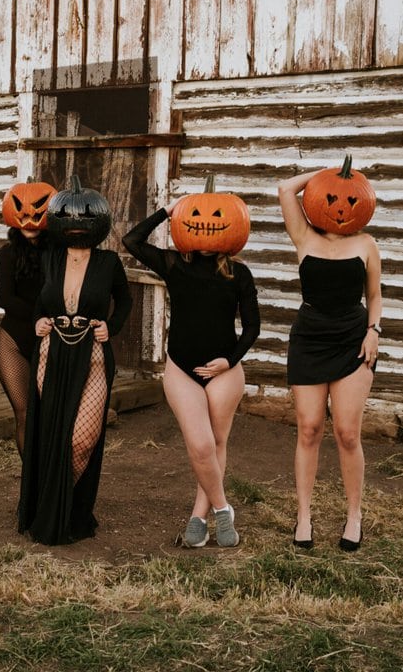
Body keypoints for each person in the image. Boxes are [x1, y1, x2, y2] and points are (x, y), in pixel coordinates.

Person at [122, 202, 260, 548]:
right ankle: (223, 507)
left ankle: (199, 517)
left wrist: (228, 362)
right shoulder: (174, 265)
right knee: (200, 445)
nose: (204, 225)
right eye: (195, 219)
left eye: (214, 217)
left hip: (224, 369)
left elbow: (252, 328)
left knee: (215, 443)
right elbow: (131, 241)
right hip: (182, 368)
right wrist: (167, 212)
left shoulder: (238, 274)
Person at [18, 176, 132, 545]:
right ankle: (53, 511)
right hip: (51, 353)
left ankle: (61, 506)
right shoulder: (49, 257)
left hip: (93, 355)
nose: (77, 220)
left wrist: (110, 327)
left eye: (84, 214)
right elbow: (40, 300)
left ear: (100, 219)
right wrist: (37, 319)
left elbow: (126, 301)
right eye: (67, 213)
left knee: (81, 440)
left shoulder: (109, 262)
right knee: (53, 435)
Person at [277, 168, 382, 552]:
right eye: (334, 198)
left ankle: (353, 515)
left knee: (347, 433)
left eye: (350, 199)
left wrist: (374, 331)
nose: (341, 208)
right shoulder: (304, 235)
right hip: (309, 339)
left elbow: (374, 296)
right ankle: (303, 516)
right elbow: (286, 188)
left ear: (362, 204)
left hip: (353, 341)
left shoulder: (366, 244)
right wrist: (327, 175)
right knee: (308, 429)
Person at [0, 179, 56, 456]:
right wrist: (37, 319)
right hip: (14, 341)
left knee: (50, 414)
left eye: (37, 210)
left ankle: (51, 478)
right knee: (24, 412)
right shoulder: (6, 254)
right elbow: (6, 300)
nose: (29, 217)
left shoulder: (60, 254)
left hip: (53, 340)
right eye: (22, 210)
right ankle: (31, 481)